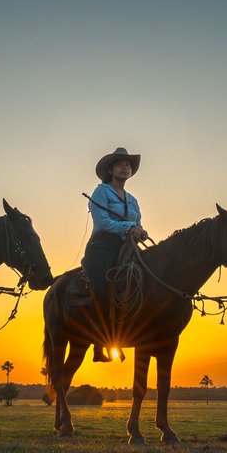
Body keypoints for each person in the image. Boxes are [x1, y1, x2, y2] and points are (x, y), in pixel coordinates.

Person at [83, 147, 147, 362]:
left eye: (128, 164)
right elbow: (103, 222)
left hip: (128, 247)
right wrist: (130, 227)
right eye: (120, 163)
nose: (125, 167)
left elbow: (137, 224)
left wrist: (140, 231)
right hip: (103, 245)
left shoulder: (134, 200)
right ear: (110, 170)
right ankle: (100, 341)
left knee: (149, 277)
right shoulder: (101, 191)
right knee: (103, 285)